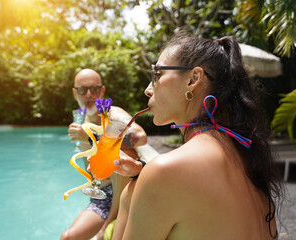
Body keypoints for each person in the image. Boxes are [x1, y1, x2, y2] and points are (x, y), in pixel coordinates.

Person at [112, 30, 283, 239]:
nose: (148, 89)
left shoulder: (165, 172)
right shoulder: (247, 159)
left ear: (193, 79)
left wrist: (131, 192)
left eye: (157, 75)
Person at [61, 69, 148, 240]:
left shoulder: (110, 113)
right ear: (74, 93)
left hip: (124, 194)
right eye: (82, 90)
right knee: (67, 237)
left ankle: (109, 225)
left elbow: (141, 137)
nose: (88, 95)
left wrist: (92, 138)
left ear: (102, 91)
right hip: (101, 198)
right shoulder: (81, 119)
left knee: (124, 151)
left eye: (94, 89)